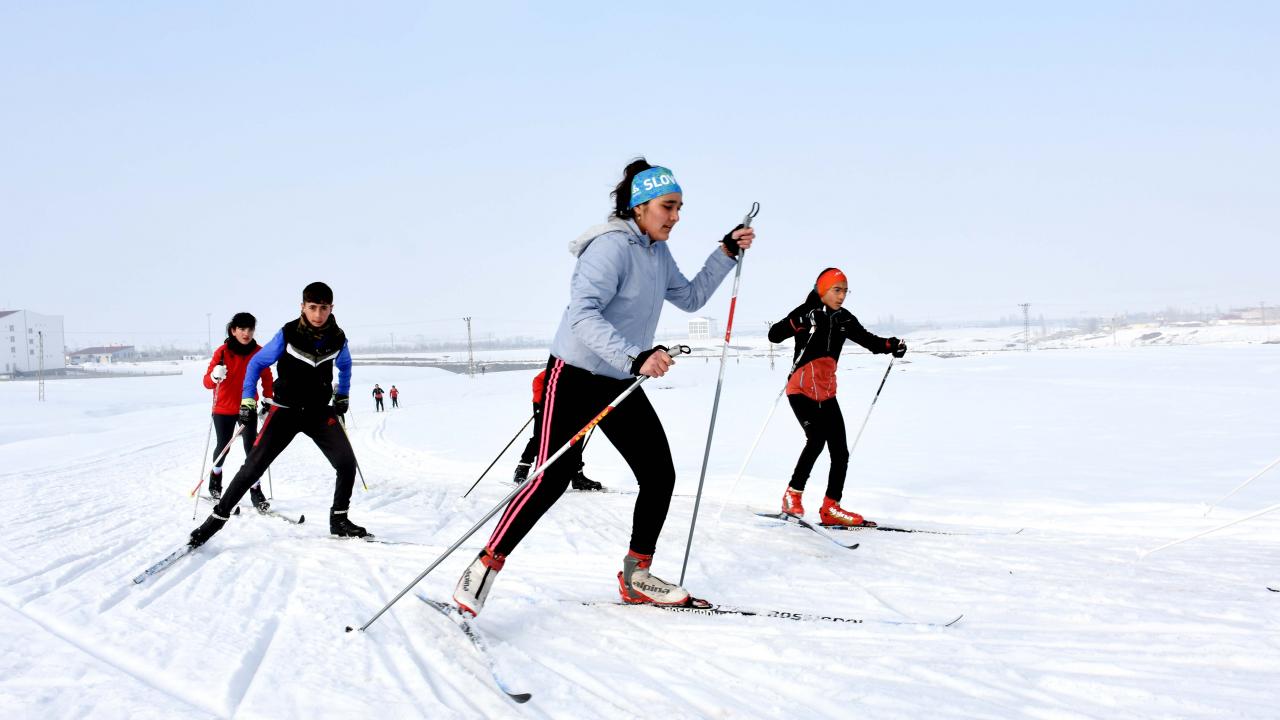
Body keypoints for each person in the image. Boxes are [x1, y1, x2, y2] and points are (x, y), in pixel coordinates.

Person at [453, 159, 755, 616]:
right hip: (574, 375)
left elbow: (690, 298)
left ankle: (636, 575)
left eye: (679, 208)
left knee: (659, 474)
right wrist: (635, 356)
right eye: (667, 207)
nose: (675, 217)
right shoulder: (610, 249)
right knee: (551, 476)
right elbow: (583, 315)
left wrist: (726, 253)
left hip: (619, 381)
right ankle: (484, 567)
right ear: (639, 206)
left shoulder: (656, 252)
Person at [188, 282, 370, 547]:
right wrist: (248, 400)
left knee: (346, 463)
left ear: (331, 308)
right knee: (252, 468)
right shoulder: (288, 333)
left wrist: (343, 394)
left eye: (323, 308)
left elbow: (345, 365)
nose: (318, 314)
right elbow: (257, 362)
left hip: (319, 412)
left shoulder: (338, 338)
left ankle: (339, 520)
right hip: (285, 411)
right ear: (303, 307)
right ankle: (215, 521)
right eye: (312, 308)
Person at [766, 267, 907, 527]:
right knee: (817, 439)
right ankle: (792, 495)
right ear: (822, 289)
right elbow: (774, 335)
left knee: (840, 452)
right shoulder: (806, 312)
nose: (841, 296)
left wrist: (890, 345)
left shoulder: (844, 319)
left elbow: (869, 341)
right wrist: (803, 321)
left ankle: (831, 507)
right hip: (801, 389)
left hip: (827, 392)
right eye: (836, 289)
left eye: (845, 290)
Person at [201, 312, 274, 510]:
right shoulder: (222, 352)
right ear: (233, 331)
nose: (246, 333)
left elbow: (267, 377)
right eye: (242, 329)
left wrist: (268, 399)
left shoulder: (259, 352)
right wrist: (215, 376)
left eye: (250, 329)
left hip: (247, 407)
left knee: (252, 450)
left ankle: (256, 490)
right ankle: (215, 478)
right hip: (223, 407)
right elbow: (207, 382)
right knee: (223, 446)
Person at [513, 369, 603, 491]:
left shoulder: (594, 372)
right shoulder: (567, 367)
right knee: (541, 436)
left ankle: (577, 476)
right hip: (545, 403)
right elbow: (538, 380)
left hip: (569, 405)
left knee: (576, 438)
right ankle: (522, 469)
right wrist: (542, 402)